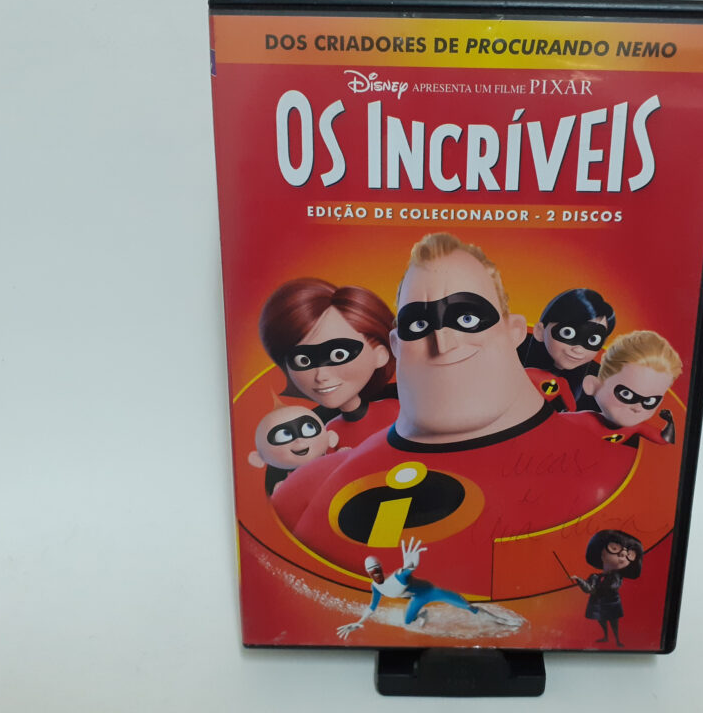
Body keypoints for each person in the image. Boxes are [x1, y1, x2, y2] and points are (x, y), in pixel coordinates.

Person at [271, 233, 635, 598]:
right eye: (419, 324)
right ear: (396, 345)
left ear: (513, 331)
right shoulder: (308, 491)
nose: (443, 343)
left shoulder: (614, 463)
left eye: (467, 317)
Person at [258, 278, 399, 448]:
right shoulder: (328, 432)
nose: (321, 376)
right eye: (303, 360)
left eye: (339, 355)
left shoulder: (396, 410)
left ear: (381, 355)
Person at [336, 538, 490, 639]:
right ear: (368, 573)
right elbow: (372, 607)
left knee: (469, 607)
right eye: (372, 572)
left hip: (432, 592)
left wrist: (411, 565)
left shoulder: (397, 577)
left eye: (377, 570)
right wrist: (359, 621)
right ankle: (423, 614)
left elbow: (406, 571)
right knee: (408, 622)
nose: (376, 574)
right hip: (417, 598)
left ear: (381, 568)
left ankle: (498, 619)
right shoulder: (376, 587)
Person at [518, 288, 615, 411]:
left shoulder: (597, 389)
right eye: (567, 333)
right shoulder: (512, 357)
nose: (578, 350)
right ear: (539, 331)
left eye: (593, 340)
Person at [581, 330, 682, 447]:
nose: (637, 408)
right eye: (626, 394)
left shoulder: (636, 427)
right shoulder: (585, 419)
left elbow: (663, 439)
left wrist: (670, 421)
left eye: (649, 401)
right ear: (592, 385)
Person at [571, 530, 644, 647]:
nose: (623, 554)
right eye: (614, 548)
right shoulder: (595, 577)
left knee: (614, 621)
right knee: (601, 619)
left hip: (611, 603)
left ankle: (617, 640)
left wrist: (596, 589)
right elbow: (589, 589)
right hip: (598, 604)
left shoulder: (616, 577)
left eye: (629, 554)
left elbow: (612, 587)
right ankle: (605, 636)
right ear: (601, 554)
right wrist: (579, 580)